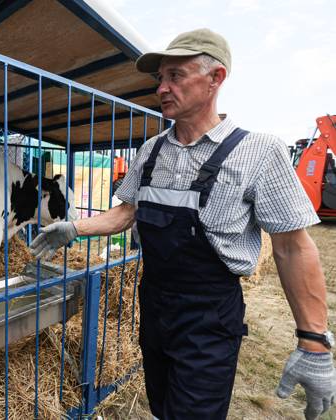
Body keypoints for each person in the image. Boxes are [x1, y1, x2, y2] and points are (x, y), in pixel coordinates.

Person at [30, 28, 335, 420]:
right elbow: (127, 212)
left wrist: (313, 343)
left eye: (176, 76)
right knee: (162, 406)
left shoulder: (258, 152)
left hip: (209, 316)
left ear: (215, 78)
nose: (162, 88)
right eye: (160, 78)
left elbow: (293, 247)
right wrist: (74, 228)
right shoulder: (151, 150)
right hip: (155, 305)